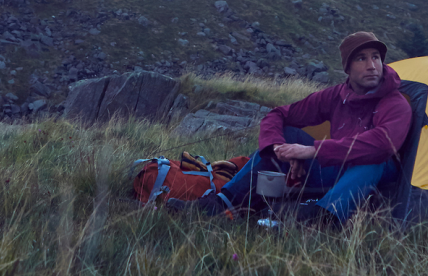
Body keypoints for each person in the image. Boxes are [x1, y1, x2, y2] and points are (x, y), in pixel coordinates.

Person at [170, 30, 412, 225]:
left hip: (373, 181)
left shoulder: (395, 103)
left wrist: (311, 150)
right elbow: (279, 114)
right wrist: (280, 149)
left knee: (372, 160)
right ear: (347, 68)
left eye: (376, 57)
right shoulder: (336, 95)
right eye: (362, 58)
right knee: (286, 135)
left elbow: (383, 144)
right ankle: (223, 204)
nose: (372, 65)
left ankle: (323, 219)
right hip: (335, 169)